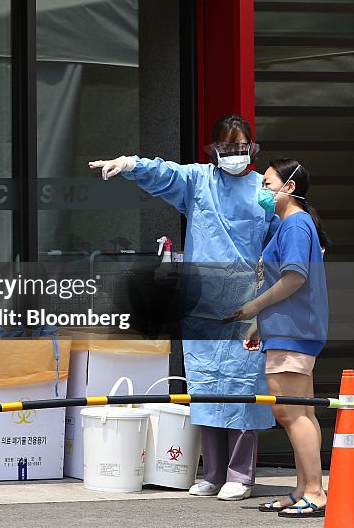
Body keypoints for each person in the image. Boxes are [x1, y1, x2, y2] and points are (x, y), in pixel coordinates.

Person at [88, 114, 276, 501]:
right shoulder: (199, 182)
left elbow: (284, 234)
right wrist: (128, 164)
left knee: (243, 388)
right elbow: (163, 173)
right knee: (206, 388)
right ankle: (212, 472)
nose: (235, 154)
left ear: (252, 148)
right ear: (213, 150)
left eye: (241, 148)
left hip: (248, 305)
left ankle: (240, 474)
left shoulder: (264, 191)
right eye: (226, 148)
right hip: (203, 305)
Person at [229, 159, 330, 517]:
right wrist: (261, 325)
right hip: (291, 329)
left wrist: (253, 307)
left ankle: (315, 492)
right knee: (301, 411)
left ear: (288, 187)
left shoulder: (295, 224)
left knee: (289, 411)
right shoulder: (294, 224)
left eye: (267, 183)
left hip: (293, 331)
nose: (262, 190)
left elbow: (294, 278)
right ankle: (305, 489)